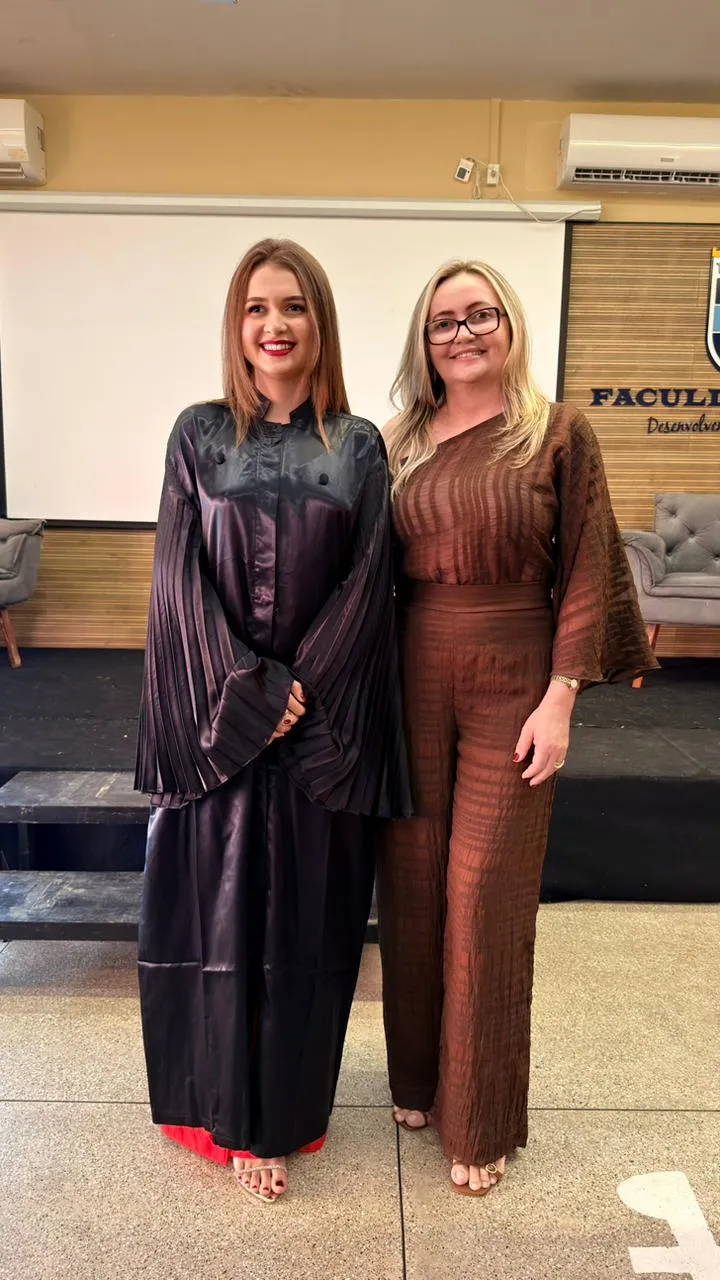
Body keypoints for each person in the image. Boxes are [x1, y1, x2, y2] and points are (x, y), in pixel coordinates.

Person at [135, 238, 411, 1204]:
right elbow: (177, 579)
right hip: (218, 727)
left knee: (302, 932)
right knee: (211, 924)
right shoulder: (197, 436)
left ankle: (279, 1122)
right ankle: (215, 1112)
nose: (275, 324)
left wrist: (301, 692)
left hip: (316, 733)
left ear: (318, 321)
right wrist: (249, 688)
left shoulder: (359, 446)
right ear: (237, 324)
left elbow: (370, 585)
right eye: (257, 307)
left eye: (292, 306)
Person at [377, 259, 657, 1198]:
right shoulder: (396, 442)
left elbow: (588, 568)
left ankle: (481, 1117)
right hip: (411, 677)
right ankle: (416, 1079)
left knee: (485, 895)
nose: (462, 334)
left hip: (516, 679)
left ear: (509, 323)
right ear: (425, 342)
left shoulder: (558, 432)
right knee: (412, 885)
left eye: (479, 315)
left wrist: (562, 695)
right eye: (443, 322)